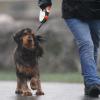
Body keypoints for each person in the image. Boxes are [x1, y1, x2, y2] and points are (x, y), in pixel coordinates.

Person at [38, 0, 100, 97]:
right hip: (73, 11)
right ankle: (92, 81)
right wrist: (45, 3)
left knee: (94, 45)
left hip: (96, 11)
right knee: (86, 43)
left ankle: (89, 85)